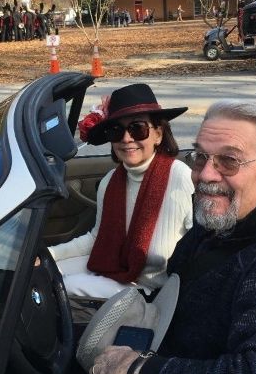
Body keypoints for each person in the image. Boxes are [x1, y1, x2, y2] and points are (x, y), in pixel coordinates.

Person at [88, 100, 256, 374]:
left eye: (229, 161)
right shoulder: (216, 226)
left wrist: (135, 372)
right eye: (201, 156)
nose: (206, 174)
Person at [50, 84, 194, 298]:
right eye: (117, 131)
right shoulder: (111, 181)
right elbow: (95, 240)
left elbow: (199, 244)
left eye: (138, 128)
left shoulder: (179, 175)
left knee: (63, 285)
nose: (127, 139)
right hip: (119, 269)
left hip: (154, 290)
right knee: (45, 273)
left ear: (158, 134)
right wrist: (47, 255)